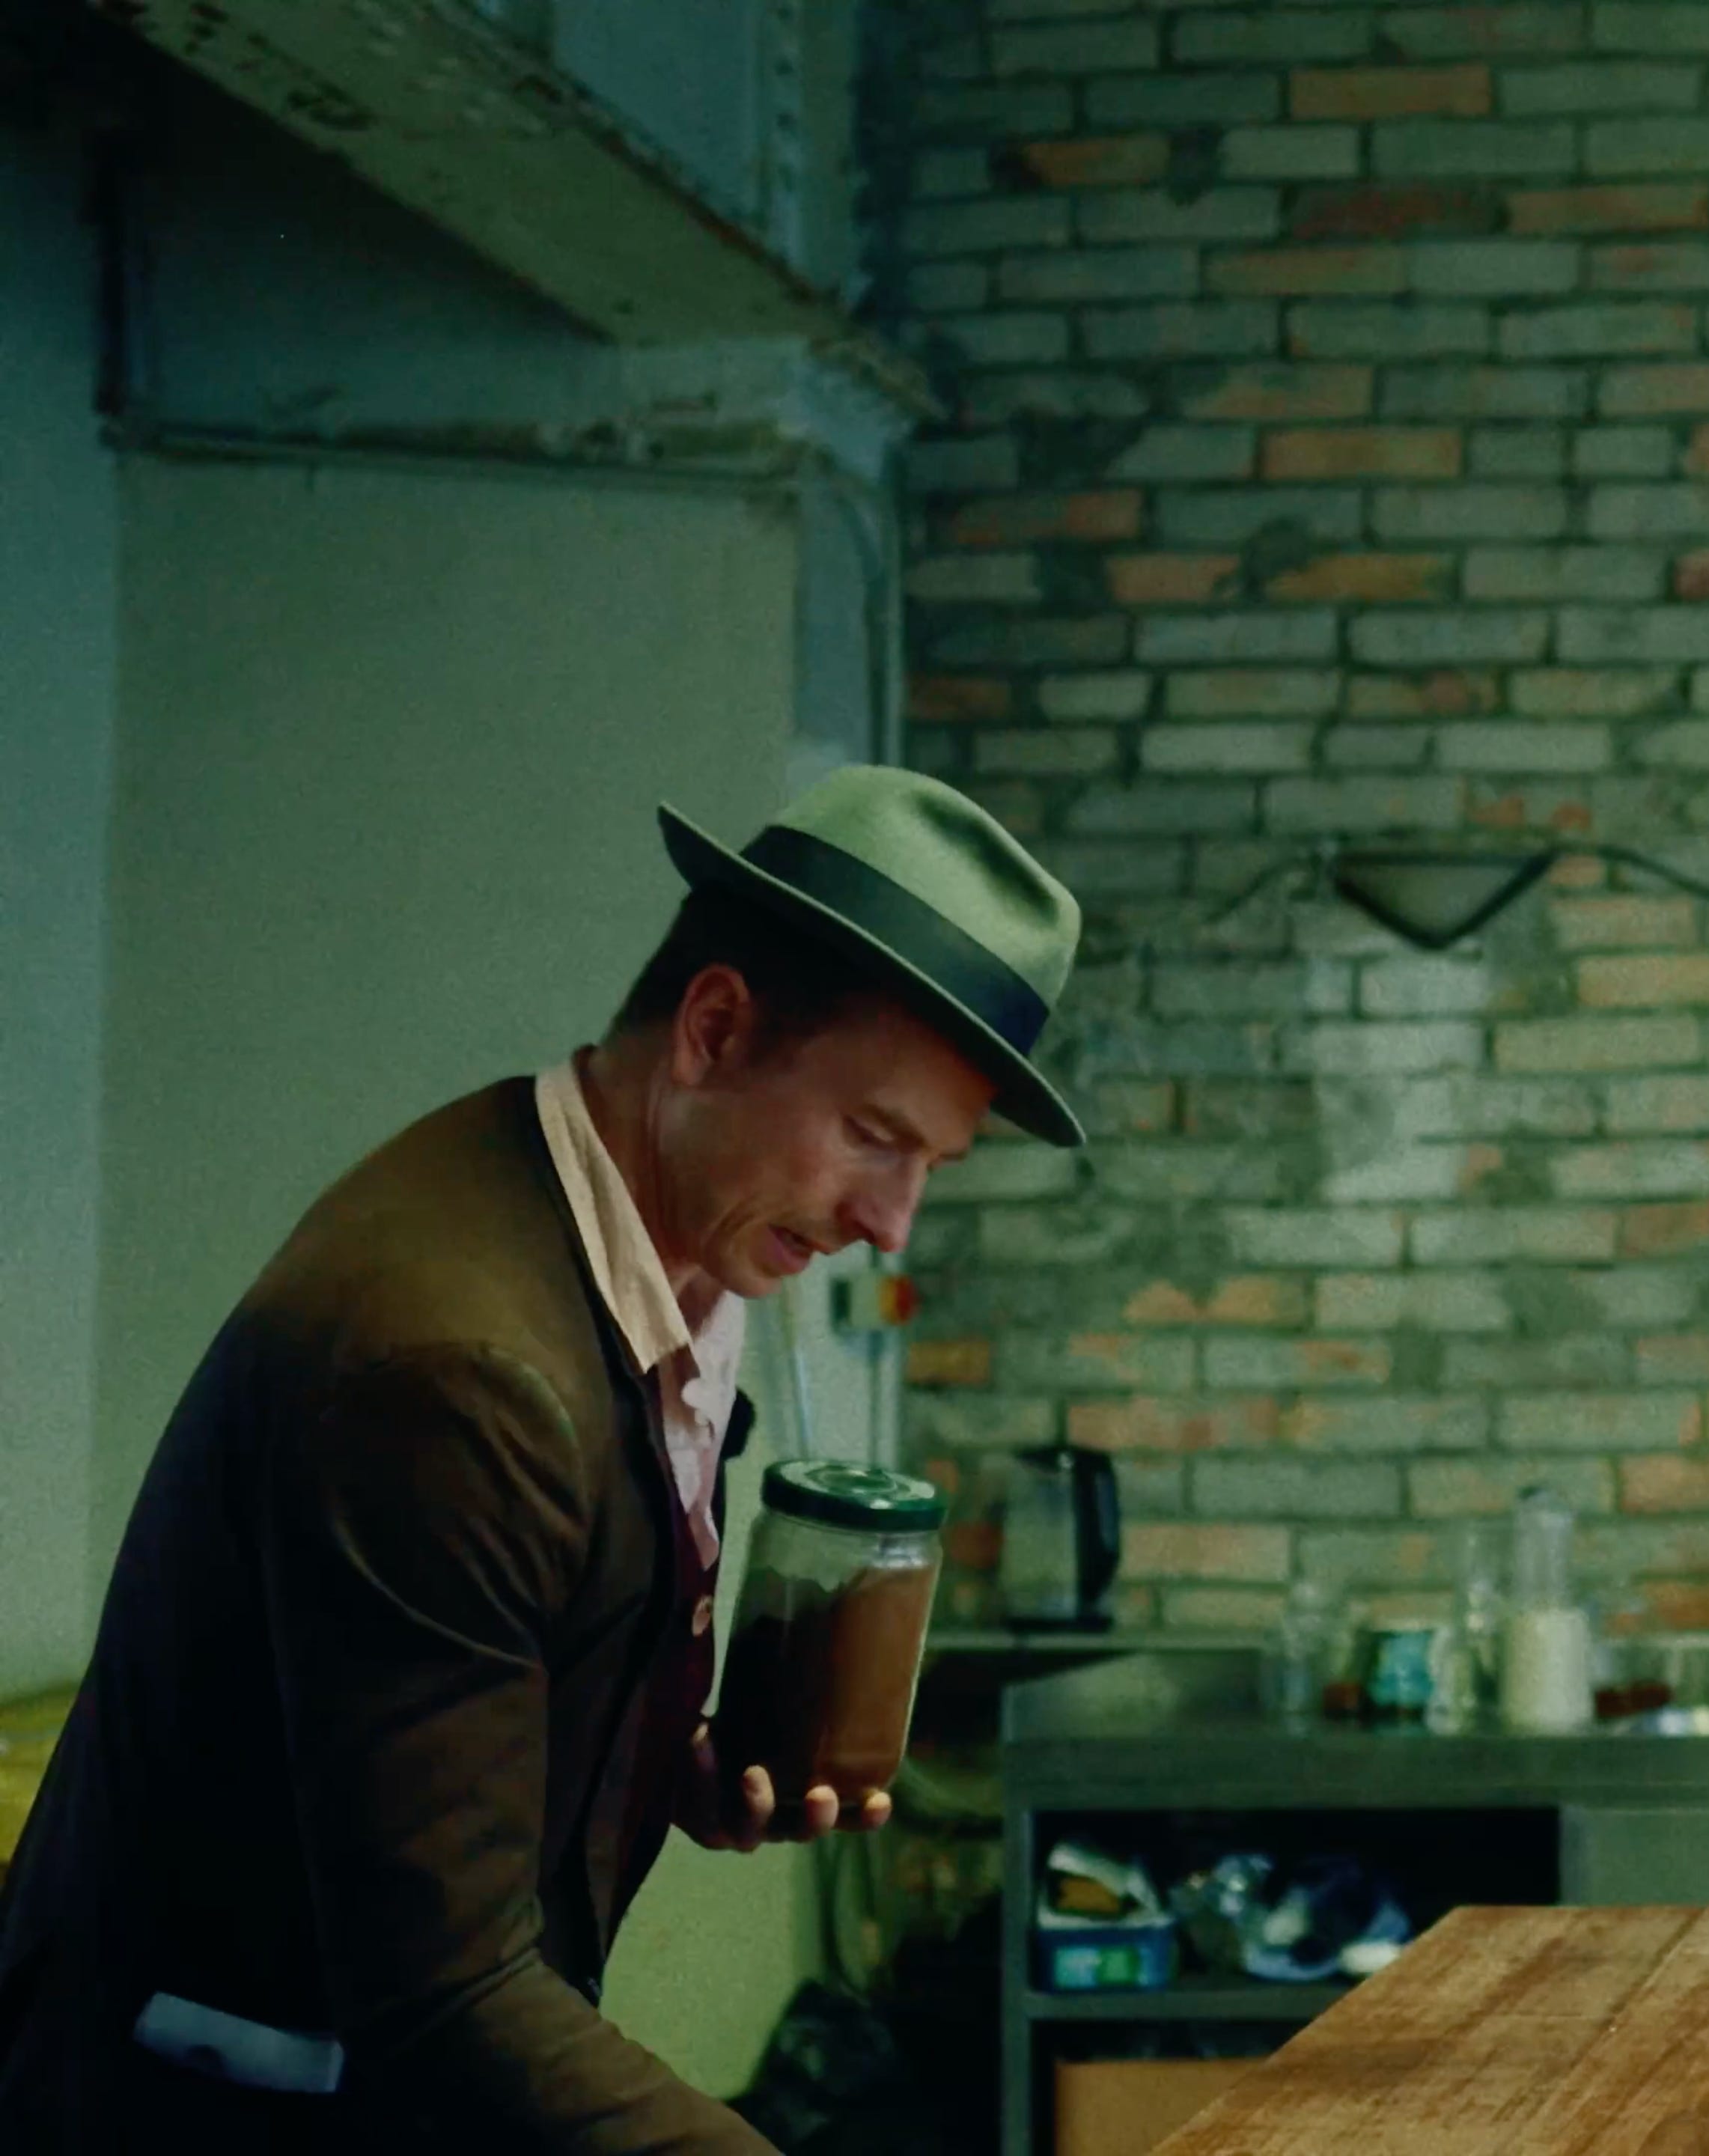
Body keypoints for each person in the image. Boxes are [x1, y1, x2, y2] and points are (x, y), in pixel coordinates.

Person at [0, 767, 1085, 2149]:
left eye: (932, 1164)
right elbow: (444, 1999)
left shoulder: (648, 1253)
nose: (893, 1224)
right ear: (712, 1030)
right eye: (874, 1137)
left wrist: (654, 1755)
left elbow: (446, 1692)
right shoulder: (458, 1368)